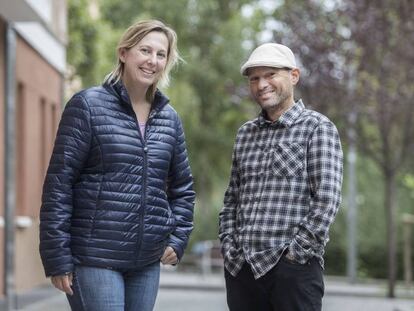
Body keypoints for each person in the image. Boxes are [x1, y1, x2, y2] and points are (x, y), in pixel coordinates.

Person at [39, 19, 195, 311]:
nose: (153, 61)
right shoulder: (87, 106)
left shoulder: (169, 118)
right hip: (94, 259)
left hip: (146, 262)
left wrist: (178, 238)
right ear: (124, 53)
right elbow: (59, 185)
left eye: (161, 54)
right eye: (145, 50)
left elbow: (183, 187)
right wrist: (56, 257)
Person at [219, 43, 343, 311]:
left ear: (293, 76)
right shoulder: (245, 134)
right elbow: (232, 198)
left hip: (293, 271)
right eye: (255, 78)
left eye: (271, 74)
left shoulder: (318, 128)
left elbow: (326, 201)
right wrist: (230, 248)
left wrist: (294, 256)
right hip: (243, 270)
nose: (262, 84)